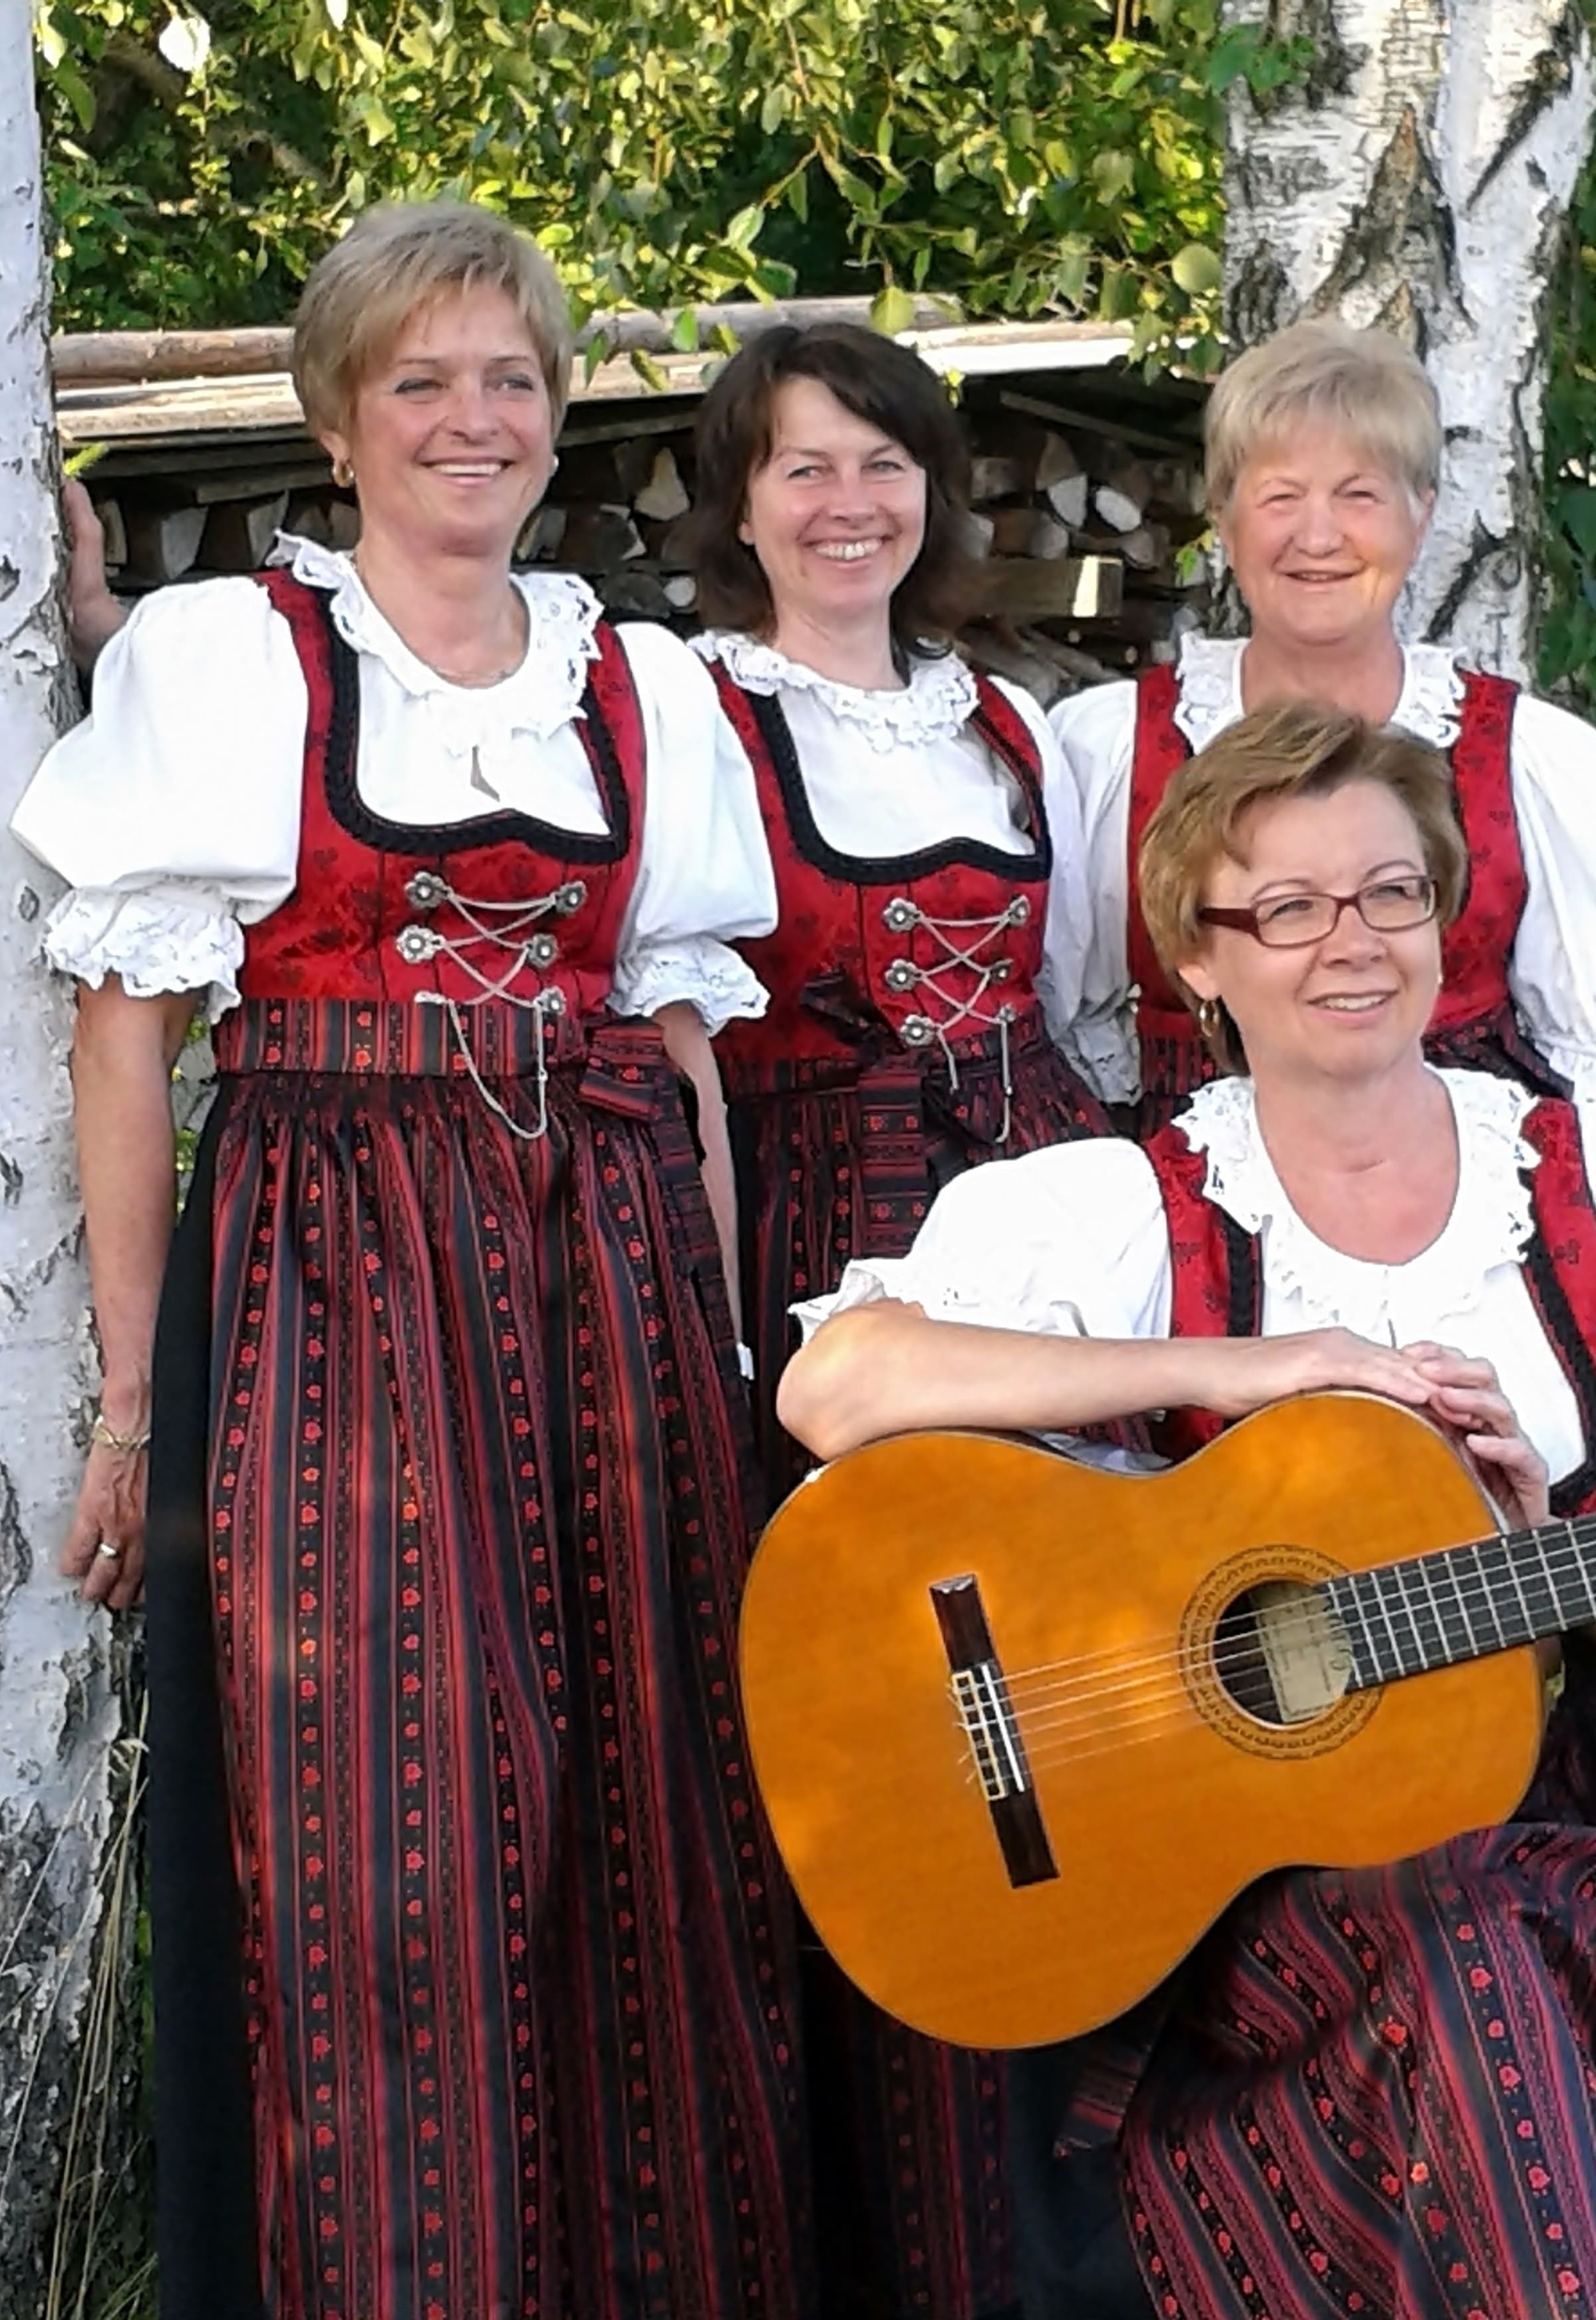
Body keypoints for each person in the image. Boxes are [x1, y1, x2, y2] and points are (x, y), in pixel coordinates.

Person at [779, 702, 1596, 2320]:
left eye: (1389, 894)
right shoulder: (1119, 1206)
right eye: (1283, 907)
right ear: (1197, 958)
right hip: (1226, 1869)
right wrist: (1277, 1365)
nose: (1348, 943)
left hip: (1586, 1813)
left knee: (1486, 1946)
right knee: (1477, 1963)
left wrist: (1531, 1548)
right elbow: (836, 1387)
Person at [15, 203, 806, 2320]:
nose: (475, 418)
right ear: (341, 422)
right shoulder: (225, 656)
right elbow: (130, 1029)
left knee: (656, 1810)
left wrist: (717, 1362)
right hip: (339, 1273)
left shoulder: (643, 684)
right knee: (388, 1823)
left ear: (556, 419)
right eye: (423, 380)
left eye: (514, 379)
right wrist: (126, 1401)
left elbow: (679, 1051)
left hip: (617, 1272)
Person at [682, 320, 1110, 2319]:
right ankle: (898, 2237)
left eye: (880, 460)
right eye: (800, 465)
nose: (846, 500)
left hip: (1027, 1250)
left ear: (931, 491)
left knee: (1078, 1694)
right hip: (811, 1244)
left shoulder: (1021, 733)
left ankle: (1084, 2216)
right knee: (885, 1718)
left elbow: (1081, 1013)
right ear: (737, 502)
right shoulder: (692, 716)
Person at [1047, 321, 1596, 1134]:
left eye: (1360, 495)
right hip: (1189, 1209)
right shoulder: (1105, 750)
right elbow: (1067, 1034)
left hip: (1453, 1217)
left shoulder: (1534, 762)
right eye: (1280, 496)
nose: (1318, 537)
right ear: (1224, 516)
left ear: (1421, 515)